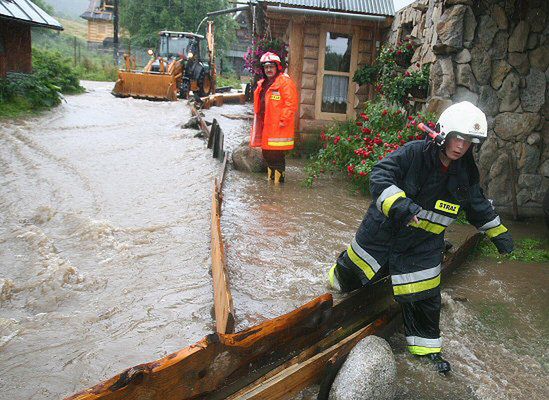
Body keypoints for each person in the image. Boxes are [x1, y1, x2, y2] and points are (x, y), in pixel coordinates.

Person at [328, 101, 514, 373]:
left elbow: (477, 205)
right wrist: (400, 204)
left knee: (426, 297)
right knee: (347, 278)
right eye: (458, 138)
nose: (461, 147)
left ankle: (426, 352)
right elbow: (380, 174)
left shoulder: (466, 172)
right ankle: (332, 281)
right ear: (444, 133)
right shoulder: (413, 153)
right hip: (383, 237)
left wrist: (499, 234)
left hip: (423, 247)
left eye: (468, 141)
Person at [250, 52, 298, 183]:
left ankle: (278, 189)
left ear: (277, 67)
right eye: (266, 67)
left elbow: (291, 104)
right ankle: (272, 186)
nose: (268, 70)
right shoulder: (264, 84)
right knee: (267, 154)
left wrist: (282, 120)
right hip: (266, 125)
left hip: (278, 127)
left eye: (271, 66)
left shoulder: (285, 82)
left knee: (276, 156)